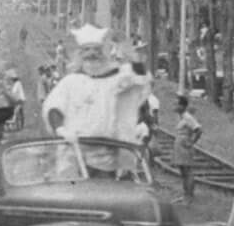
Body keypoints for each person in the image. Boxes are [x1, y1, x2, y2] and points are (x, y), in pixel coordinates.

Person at [41, 23, 152, 177]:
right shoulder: (70, 82)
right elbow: (54, 106)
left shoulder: (116, 81)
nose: (92, 54)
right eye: (87, 51)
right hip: (73, 153)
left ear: (104, 54)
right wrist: (60, 129)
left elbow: (139, 82)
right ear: (80, 56)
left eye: (97, 51)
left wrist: (132, 55)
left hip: (106, 155)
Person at [171, 95, 203, 202]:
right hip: (179, 146)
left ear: (183, 105)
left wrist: (191, 142)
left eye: (177, 104)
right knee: (183, 171)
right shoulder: (181, 117)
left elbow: (198, 130)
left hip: (185, 146)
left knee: (188, 171)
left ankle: (189, 196)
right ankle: (185, 194)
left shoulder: (188, 117)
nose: (174, 106)